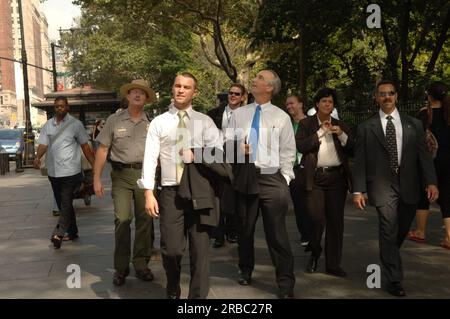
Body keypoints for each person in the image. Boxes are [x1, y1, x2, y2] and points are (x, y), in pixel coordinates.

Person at [138, 72, 225, 299]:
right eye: (177, 85)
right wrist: (149, 192)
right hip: (170, 191)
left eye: (187, 87)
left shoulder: (204, 122)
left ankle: (196, 300)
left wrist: (196, 154)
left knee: (200, 252)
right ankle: (173, 284)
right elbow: (149, 158)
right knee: (172, 250)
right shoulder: (159, 122)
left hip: (200, 191)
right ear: (172, 89)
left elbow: (220, 153)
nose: (181, 90)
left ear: (194, 92)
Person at [352, 80, 438, 297]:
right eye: (382, 94)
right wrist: (358, 190)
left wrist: (431, 182)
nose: (387, 97)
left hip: (409, 183)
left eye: (390, 93)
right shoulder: (365, 127)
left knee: (398, 230)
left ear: (397, 96)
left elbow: (424, 156)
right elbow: (360, 161)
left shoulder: (414, 125)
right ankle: (394, 280)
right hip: (381, 185)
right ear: (376, 97)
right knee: (388, 227)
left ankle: (387, 256)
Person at [226, 69, 296, 299]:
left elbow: (288, 152)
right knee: (245, 230)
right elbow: (227, 145)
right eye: (255, 78)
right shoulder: (239, 114)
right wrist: (239, 149)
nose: (254, 80)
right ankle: (245, 270)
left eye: (260, 78)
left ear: (270, 88)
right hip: (246, 174)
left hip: (272, 177)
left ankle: (285, 283)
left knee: (277, 234)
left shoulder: (281, 117)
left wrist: (284, 179)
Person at [93, 79, 156, 286]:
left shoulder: (153, 123)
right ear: (127, 96)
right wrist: (96, 179)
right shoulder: (114, 120)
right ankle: (121, 268)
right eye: (133, 92)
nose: (137, 95)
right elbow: (102, 150)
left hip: (145, 176)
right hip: (120, 175)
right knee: (122, 219)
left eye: (142, 93)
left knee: (145, 221)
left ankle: (140, 264)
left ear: (146, 99)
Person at [296, 88, 354, 277]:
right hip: (316, 178)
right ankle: (314, 252)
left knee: (336, 222)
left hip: (337, 178)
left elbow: (353, 148)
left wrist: (341, 135)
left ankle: (333, 264)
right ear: (316, 104)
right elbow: (302, 146)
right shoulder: (306, 124)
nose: (327, 104)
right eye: (324, 101)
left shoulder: (340, 125)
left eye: (330, 102)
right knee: (316, 219)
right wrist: (321, 132)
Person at [33, 96, 95, 249]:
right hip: (53, 171)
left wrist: (95, 166)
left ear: (67, 107)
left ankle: (59, 233)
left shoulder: (76, 125)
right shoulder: (48, 125)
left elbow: (85, 147)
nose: (59, 109)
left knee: (66, 201)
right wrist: (37, 157)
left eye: (61, 106)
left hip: (70, 171)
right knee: (62, 203)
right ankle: (72, 231)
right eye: (56, 106)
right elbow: (43, 144)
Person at [407, 81, 450, 249]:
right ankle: (448, 237)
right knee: (447, 197)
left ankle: (420, 231)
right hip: (448, 160)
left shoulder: (424, 114)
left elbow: (415, 140)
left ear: (429, 96)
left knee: (423, 194)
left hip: (428, 161)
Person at [207, 83, 246, 248]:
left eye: (237, 94)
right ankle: (218, 234)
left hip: (238, 158)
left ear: (243, 97)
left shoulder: (247, 115)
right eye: (230, 93)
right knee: (217, 196)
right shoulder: (214, 114)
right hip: (217, 157)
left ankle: (232, 231)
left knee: (234, 197)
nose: (233, 96)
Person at [285, 94, 311, 248]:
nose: (289, 107)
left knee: (312, 204)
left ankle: (313, 232)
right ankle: (305, 235)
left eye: (292, 103)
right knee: (299, 205)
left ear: (301, 104)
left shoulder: (311, 123)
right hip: (293, 169)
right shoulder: (287, 124)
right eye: (287, 105)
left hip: (308, 168)